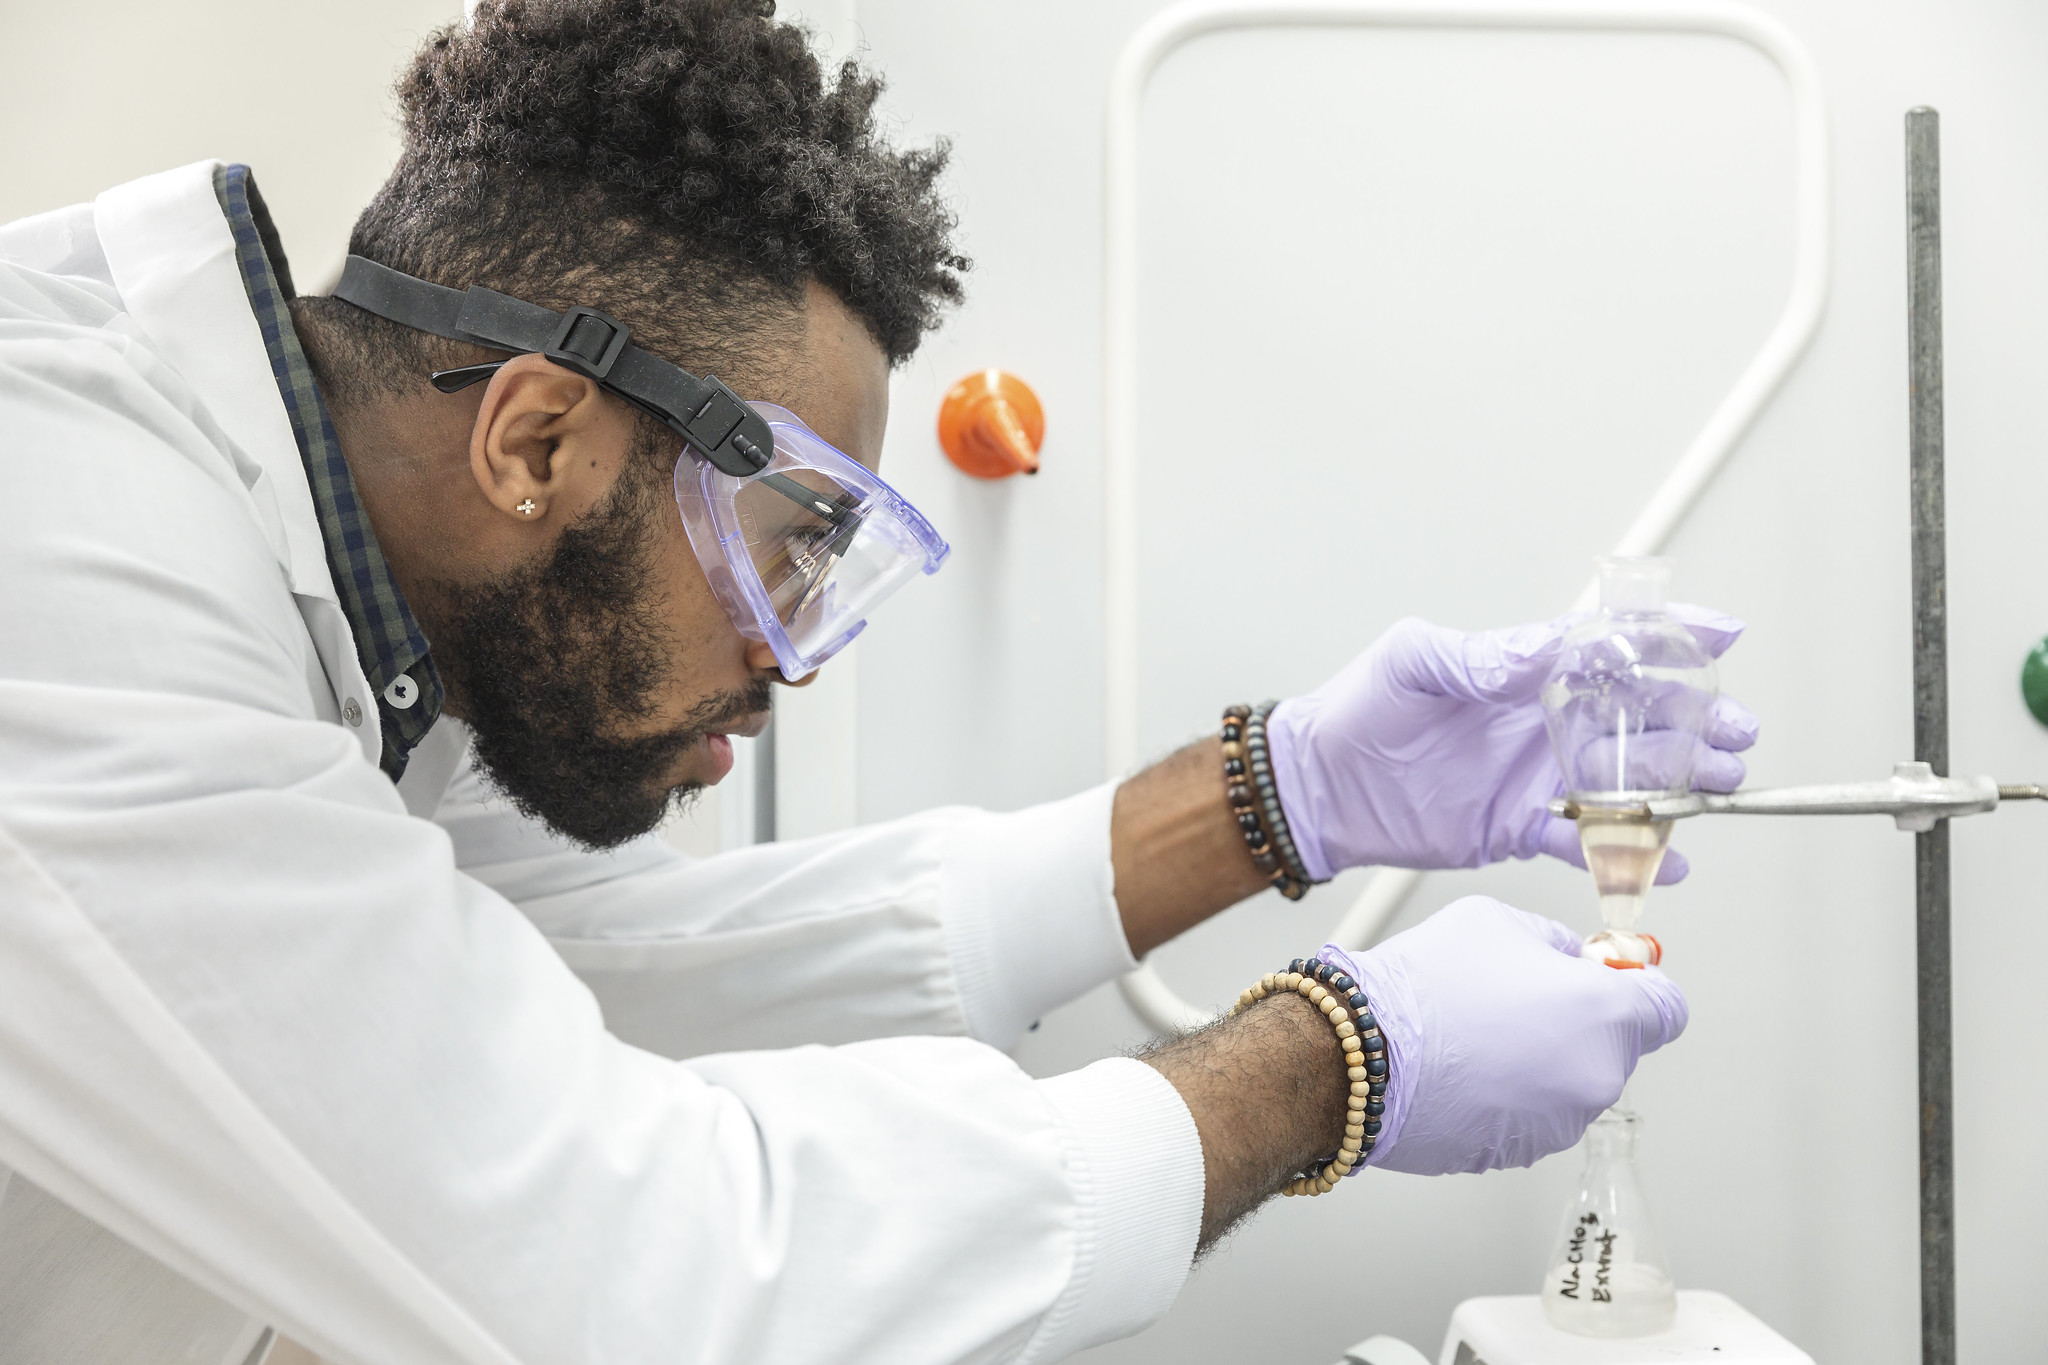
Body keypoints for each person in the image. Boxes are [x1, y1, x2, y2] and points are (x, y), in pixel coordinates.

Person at [0, 1, 1757, 1361]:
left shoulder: (353, 628)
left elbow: (648, 979)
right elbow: (648, 1276)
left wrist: (1278, 795)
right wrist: (1331, 1062)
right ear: (537, 437)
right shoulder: (70, 561)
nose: (787, 670)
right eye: (783, 553)